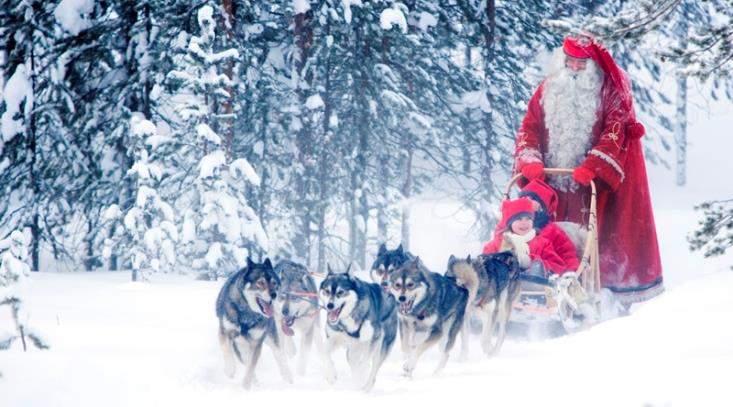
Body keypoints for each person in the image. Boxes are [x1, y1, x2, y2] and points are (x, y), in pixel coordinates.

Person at [512, 33, 663, 305]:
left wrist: (593, 165)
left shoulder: (611, 91)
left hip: (595, 186)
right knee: (540, 231)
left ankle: (602, 294)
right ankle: (539, 283)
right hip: (552, 184)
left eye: (581, 63)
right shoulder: (548, 88)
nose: (574, 68)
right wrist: (530, 160)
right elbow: (529, 128)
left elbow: (615, 132)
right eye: (569, 61)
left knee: (596, 238)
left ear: (592, 65)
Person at [482, 198, 566, 276]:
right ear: (510, 223)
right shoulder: (496, 244)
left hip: (535, 289)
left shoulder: (542, 243)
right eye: (519, 219)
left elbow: (558, 267)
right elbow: (484, 266)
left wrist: (531, 261)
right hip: (505, 288)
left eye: (528, 218)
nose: (524, 223)